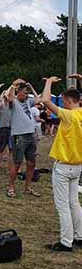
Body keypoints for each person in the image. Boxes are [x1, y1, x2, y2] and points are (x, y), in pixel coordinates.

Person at [42, 77, 82, 252]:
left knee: (63, 205)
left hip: (63, 165)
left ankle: (66, 241)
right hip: (78, 164)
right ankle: (80, 236)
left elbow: (45, 100)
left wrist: (49, 82)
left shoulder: (68, 115)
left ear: (66, 100)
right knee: (74, 202)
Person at [7, 80, 41, 198]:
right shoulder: (14, 102)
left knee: (31, 163)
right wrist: (13, 85)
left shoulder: (28, 101)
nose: (26, 95)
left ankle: (28, 187)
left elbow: (40, 99)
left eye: (27, 94)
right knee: (17, 163)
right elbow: (9, 97)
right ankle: (11, 187)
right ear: (18, 92)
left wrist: (31, 86)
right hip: (19, 136)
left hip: (30, 135)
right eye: (25, 93)